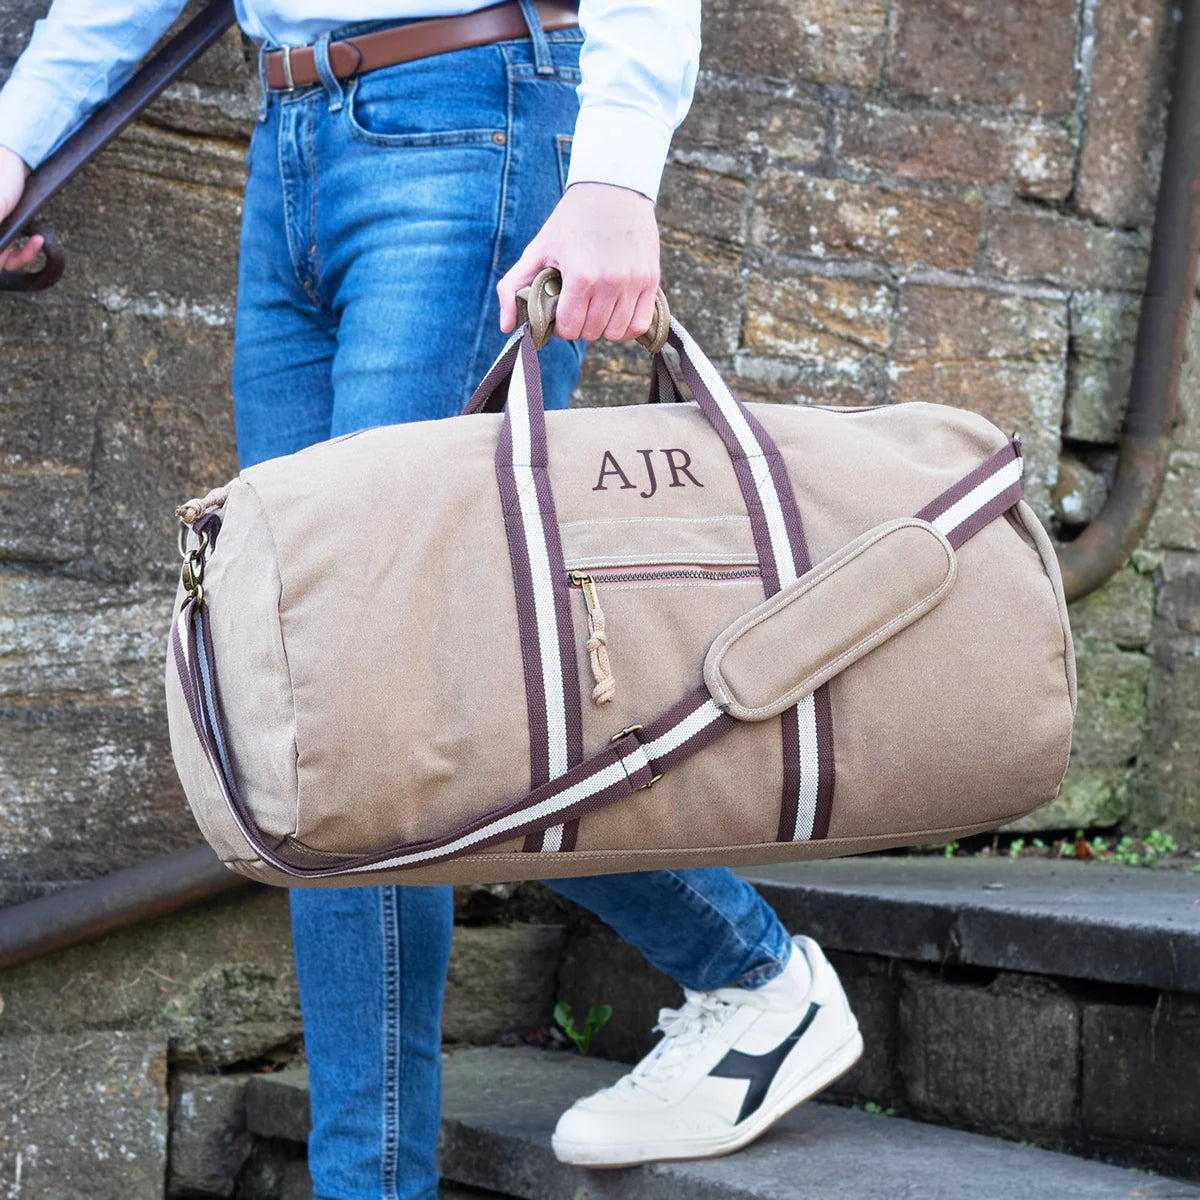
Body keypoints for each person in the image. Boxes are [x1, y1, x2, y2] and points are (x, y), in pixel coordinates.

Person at [0, 4, 862, 1197]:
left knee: (391, 682)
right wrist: (20, 129)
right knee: (311, 700)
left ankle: (745, 975)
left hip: (475, 114)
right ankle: (406, 1163)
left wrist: (616, 173)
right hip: (291, 145)